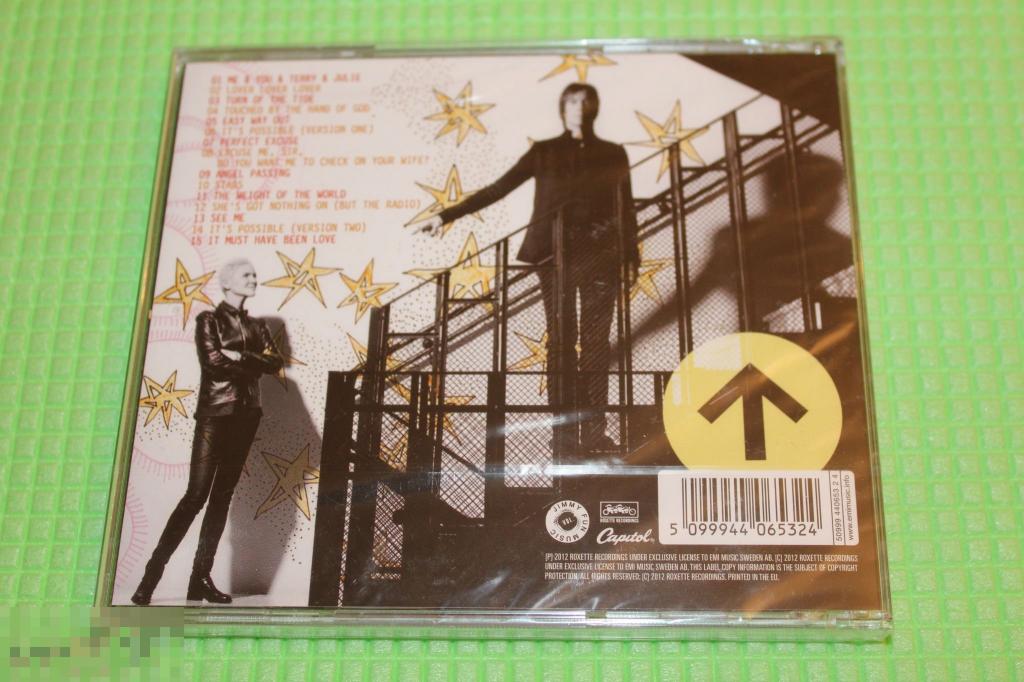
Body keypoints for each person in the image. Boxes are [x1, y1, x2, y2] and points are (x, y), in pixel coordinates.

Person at [421, 83, 638, 453]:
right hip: (553, 256)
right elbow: (499, 188)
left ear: (595, 108)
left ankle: (594, 432)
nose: (578, 108)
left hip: (600, 255)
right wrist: (446, 215)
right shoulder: (544, 151)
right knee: (561, 342)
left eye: (584, 102)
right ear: (562, 108)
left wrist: (630, 256)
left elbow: (625, 205)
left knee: (597, 344)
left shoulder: (612, 152)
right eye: (571, 102)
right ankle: (563, 434)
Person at [131, 258, 283, 605]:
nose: (254, 279)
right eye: (247, 275)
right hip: (215, 415)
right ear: (227, 283)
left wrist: (240, 357)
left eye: (255, 274)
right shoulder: (208, 320)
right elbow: (212, 363)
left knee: (221, 498)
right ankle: (150, 579)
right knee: (196, 496)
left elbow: (275, 363)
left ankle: (200, 578)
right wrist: (252, 361)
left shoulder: (257, 326)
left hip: (247, 416)